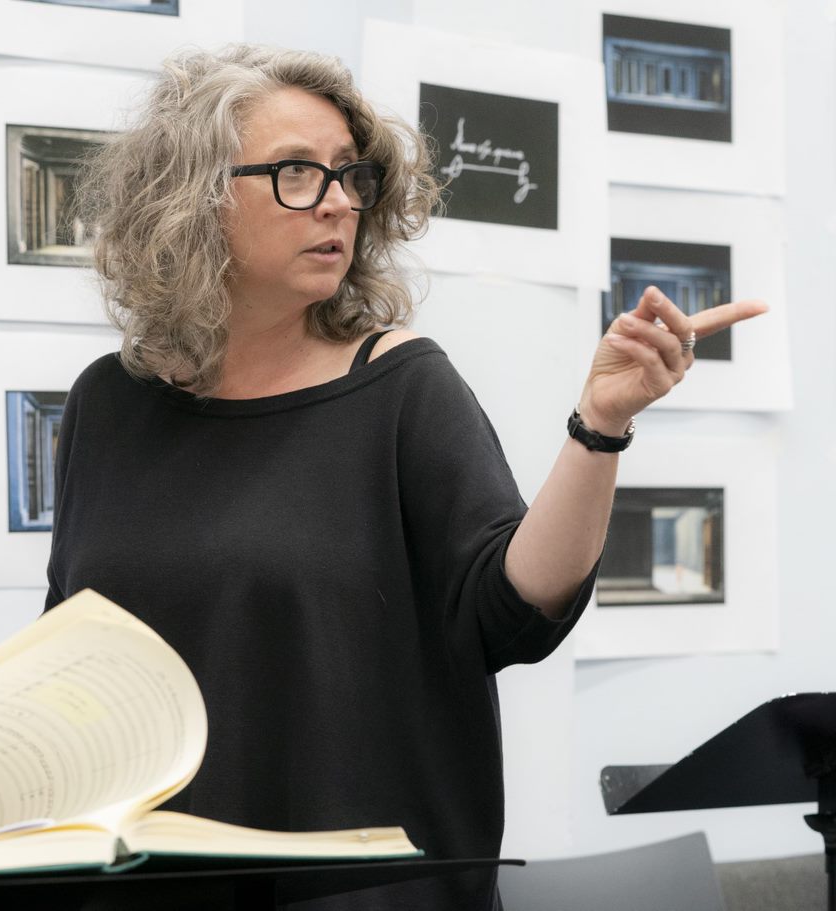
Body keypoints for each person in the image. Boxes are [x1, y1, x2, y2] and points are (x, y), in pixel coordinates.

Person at [44, 45, 766, 911]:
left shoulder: (401, 385)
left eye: (350, 175)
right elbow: (70, 658)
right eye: (299, 174)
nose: (341, 200)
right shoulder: (107, 403)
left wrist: (601, 424)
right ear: (190, 196)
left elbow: (515, 607)